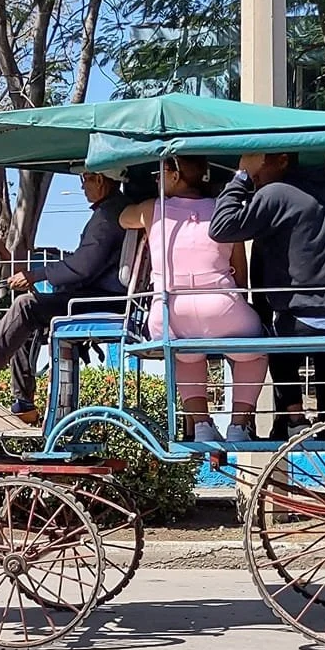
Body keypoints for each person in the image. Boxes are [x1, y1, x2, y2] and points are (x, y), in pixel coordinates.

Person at [0, 165, 129, 422]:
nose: (82, 185)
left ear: (100, 179)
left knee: (26, 305)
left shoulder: (108, 217)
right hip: (98, 295)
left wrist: (36, 275)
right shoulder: (112, 210)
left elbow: (83, 267)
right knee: (27, 316)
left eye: (85, 179)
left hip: (100, 301)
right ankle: (23, 404)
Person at [209, 151, 325, 435]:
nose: (253, 170)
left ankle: (294, 418)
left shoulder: (276, 193)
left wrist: (240, 176)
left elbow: (222, 227)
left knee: (274, 335)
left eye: (256, 160)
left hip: (304, 319)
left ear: (282, 158)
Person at [121, 155, 267, 444]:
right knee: (256, 352)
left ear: (175, 176)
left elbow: (123, 217)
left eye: (161, 172)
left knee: (185, 357)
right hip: (220, 303)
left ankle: (200, 423)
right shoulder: (225, 211)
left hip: (169, 309)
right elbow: (240, 271)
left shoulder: (152, 210)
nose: (157, 178)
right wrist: (241, 303)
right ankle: (238, 425)